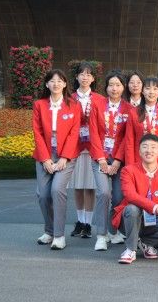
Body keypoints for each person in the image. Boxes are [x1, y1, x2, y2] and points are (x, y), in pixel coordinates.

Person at [33, 69, 81, 250]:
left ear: (65, 84)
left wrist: (64, 157)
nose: (56, 84)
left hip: (65, 156)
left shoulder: (73, 105)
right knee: (42, 194)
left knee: (57, 190)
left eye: (60, 81)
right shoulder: (39, 105)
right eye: (52, 81)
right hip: (44, 154)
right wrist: (45, 159)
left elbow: (74, 133)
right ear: (47, 84)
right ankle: (49, 231)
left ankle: (59, 236)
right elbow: (37, 132)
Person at [113, 134, 158, 264]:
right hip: (130, 219)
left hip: (153, 220)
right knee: (132, 208)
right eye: (145, 147)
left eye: (153, 147)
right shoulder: (128, 170)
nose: (149, 150)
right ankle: (130, 249)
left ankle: (145, 243)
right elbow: (130, 195)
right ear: (139, 151)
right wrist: (156, 208)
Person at [88, 70, 132, 250]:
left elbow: (127, 138)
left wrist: (117, 161)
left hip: (118, 160)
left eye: (118, 85)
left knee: (119, 196)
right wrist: (101, 159)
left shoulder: (129, 109)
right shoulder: (97, 105)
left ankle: (113, 231)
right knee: (104, 193)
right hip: (100, 157)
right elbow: (93, 132)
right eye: (111, 85)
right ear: (106, 87)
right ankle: (101, 234)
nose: (114, 88)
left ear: (123, 87)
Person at [69, 62, 105, 239]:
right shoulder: (69, 98)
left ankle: (88, 224)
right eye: (82, 74)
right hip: (75, 147)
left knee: (90, 187)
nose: (85, 77)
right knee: (77, 186)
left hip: (93, 147)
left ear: (93, 78)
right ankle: (80, 221)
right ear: (76, 77)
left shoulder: (99, 99)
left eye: (88, 74)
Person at [124, 76, 158, 172]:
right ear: (142, 91)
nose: (151, 92)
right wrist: (130, 167)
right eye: (148, 88)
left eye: (155, 89)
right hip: (139, 161)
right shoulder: (133, 112)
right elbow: (129, 142)